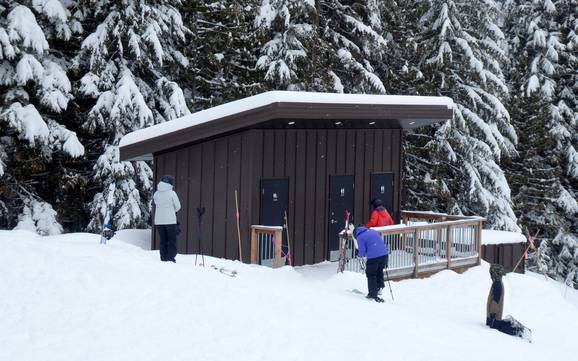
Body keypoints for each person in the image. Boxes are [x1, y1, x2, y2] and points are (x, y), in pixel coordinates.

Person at [486, 264, 532, 342]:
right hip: (493, 319)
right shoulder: (497, 283)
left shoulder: (497, 285)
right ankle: (524, 332)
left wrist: (492, 315)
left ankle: (524, 333)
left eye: (491, 274)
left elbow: (495, 302)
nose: (491, 276)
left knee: (507, 325)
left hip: (493, 320)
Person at [354, 225, 389, 303]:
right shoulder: (373, 231)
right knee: (379, 271)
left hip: (374, 257)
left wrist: (359, 254)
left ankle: (373, 295)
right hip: (384, 255)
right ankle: (379, 287)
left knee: (371, 274)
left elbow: (362, 251)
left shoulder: (360, 237)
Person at [153, 175, 181, 262]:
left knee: (163, 239)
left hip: (159, 221)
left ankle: (163, 258)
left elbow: (156, 202)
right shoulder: (172, 193)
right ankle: (170, 258)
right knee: (172, 240)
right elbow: (178, 207)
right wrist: (172, 210)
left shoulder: (156, 193)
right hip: (170, 221)